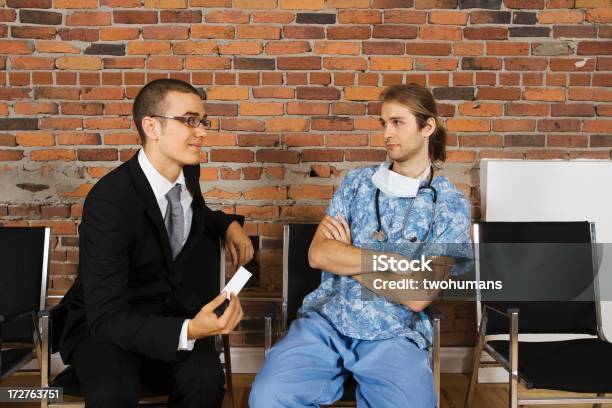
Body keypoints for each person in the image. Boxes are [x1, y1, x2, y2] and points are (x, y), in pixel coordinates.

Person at [249, 84, 473, 408]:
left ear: (427, 127)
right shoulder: (357, 183)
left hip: (394, 331)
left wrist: (348, 257)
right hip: (328, 321)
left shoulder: (450, 206)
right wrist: (394, 262)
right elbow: (319, 254)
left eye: (397, 122)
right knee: (268, 397)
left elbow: (417, 296)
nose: (387, 133)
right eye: (384, 123)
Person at [56, 78, 253, 408]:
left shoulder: (188, 172)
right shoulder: (109, 202)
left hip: (168, 311)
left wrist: (229, 224)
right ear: (152, 127)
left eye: (203, 121)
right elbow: (106, 317)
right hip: (108, 322)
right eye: (190, 120)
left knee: (206, 381)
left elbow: (191, 210)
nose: (202, 131)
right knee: (113, 392)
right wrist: (189, 331)